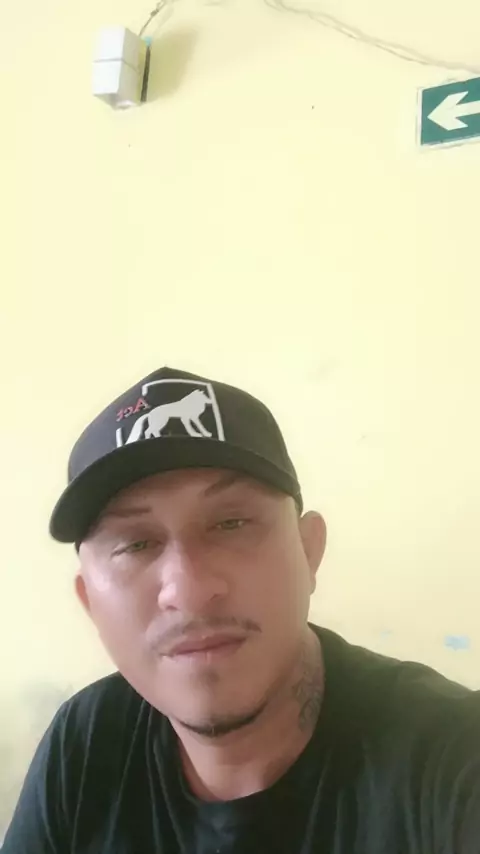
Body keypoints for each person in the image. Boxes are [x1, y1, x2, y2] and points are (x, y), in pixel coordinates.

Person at [4, 366, 479, 853]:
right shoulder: (86, 745)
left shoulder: (452, 755)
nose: (189, 591)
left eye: (230, 523)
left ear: (309, 552)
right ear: (90, 602)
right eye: (136, 544)